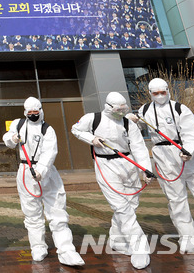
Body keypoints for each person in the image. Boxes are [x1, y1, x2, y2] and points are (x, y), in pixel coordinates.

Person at [129, 79, 194, 255]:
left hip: (190, 158)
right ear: (151, 93)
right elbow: (135, 127)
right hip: (164, 158)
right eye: (156, 93)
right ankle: (188, 238)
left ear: (168, 90)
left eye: (163, 92)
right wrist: (131, 120)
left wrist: (189, 150)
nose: (160, 96)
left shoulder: (180, 109)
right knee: (176, 201)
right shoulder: (144, 110)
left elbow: (192, 133)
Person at [72, 92, 151, 270]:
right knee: (121, 207)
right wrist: (92, 139)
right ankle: (140, 248)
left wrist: (145, 169)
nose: (121, 112)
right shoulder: (93, 119)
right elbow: (76, 129)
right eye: (118, 109)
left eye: (124, 109)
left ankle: (117, 240)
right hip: (105, 165)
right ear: (108, 107)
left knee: (131, 205)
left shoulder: (127, 123)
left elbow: (139, 147)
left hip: (128, 164)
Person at [3, 97, 84, 266]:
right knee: (32, 213)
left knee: (57, 212)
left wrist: (41, 170)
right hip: (25, 172)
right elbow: (8, 138)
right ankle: (38, 247)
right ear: (25, 112)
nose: (33, 115)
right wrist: (13, 138)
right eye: (30, 113)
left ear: (41, 110)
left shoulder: (48, 129)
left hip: (46, 174)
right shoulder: (18, 124)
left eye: (36, 112)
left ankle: (66, 250)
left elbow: (50, 152)